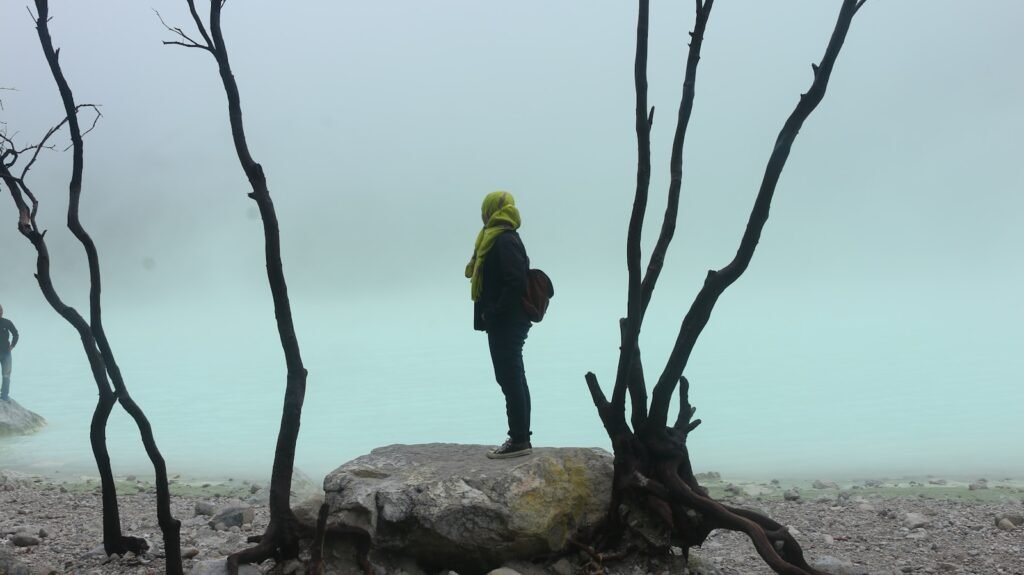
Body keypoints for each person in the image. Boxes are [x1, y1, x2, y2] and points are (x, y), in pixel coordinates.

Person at [465, 191, 534, 459]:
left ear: (492, 210)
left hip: (508, 319)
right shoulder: (498, 237)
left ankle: (518, 439)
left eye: (485, 210)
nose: (482, 215)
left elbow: (516, 281)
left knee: (510, 377)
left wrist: (494, 312)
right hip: (506, 319)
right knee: (512, 375)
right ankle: (520, 436)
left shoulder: (503, 240)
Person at [0, 304, 18, 402]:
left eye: (1, 310)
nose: (0, 312)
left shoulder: (7, 322)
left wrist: (12, 345)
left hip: (6, 353)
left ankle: (4, 396)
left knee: (6, 376)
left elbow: (15, 334)